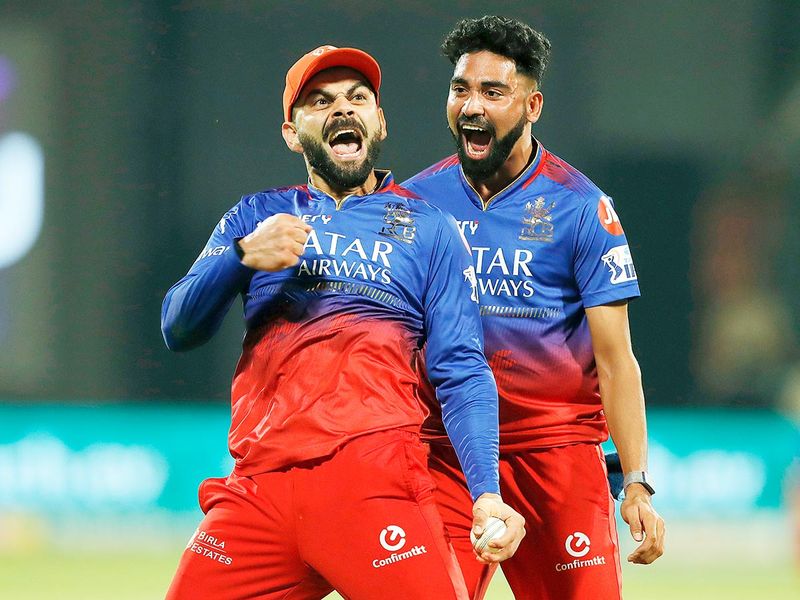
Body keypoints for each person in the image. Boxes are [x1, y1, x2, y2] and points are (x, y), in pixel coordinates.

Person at [160, 44, 526, 600]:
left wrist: (486, 492)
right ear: (292, 132)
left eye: (358, 98)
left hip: (375, 478)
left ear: (378, 121)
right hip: (260, 489)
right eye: (320, 101)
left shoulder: (430, 229)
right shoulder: (256, 218)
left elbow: (462, 370)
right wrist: (240, 257)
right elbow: (177, 327)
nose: (342, 110)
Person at [403, 16, 665, 600]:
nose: (471, 106)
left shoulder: (581, 208)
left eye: (493, 93)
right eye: (461, 88)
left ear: (533, 104)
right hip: (447, 456)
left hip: (556, 457)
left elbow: (617, 360)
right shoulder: (414, 204)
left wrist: (637, 483)